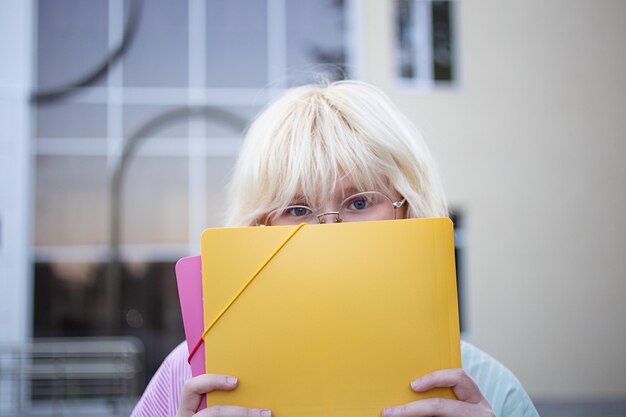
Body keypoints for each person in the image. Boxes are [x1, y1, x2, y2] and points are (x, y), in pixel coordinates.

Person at [131, 81, 539, 417]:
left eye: (359, 202)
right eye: (297, 208)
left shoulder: (490, 390)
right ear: (258, 226)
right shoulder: (186, 379)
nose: (329, 232)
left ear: (408, 211)